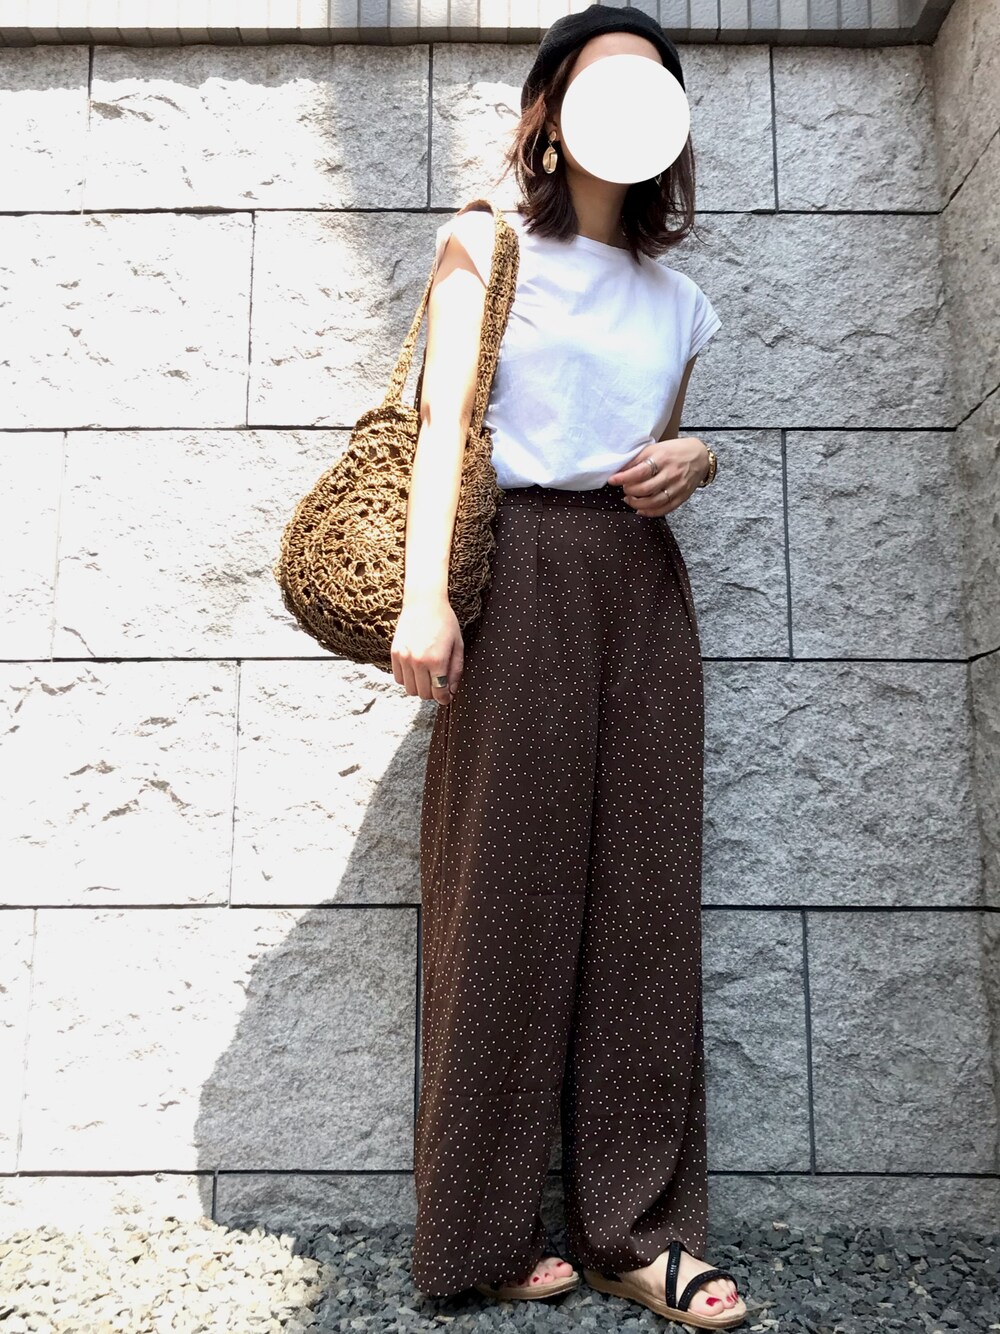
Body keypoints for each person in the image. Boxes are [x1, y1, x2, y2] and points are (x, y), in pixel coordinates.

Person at [391, 4, 748, 1329]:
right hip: (522, 572)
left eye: (654, 80)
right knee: (504, 896)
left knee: (644, 901)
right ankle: (478, 1230)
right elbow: (443, 427)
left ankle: (635, 1230)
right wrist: (426, 596)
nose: (630, 96)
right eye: (606, 73)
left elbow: (648, 446)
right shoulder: (485, 244)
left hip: (640, 586)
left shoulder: (681, 303)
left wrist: (697, 457)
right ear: (550, 106)